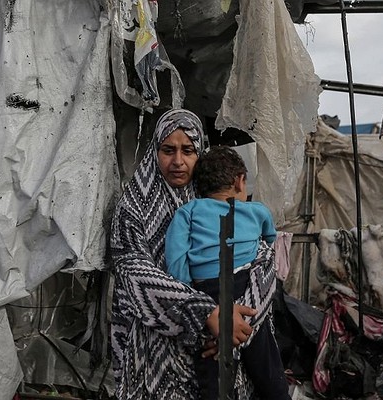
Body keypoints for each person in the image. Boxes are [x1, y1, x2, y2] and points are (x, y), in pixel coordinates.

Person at [108, 109, 278, 399]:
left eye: (188, 150)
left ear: (200, 152)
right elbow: (134, 272)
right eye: (168, 150)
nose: (178, 161)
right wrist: (206, 313)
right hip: (157, 357)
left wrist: (236, 324)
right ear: (154, 151)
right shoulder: (133, 208)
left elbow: (262, 261)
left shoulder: (215, 198)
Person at [165, 146, 291, 400]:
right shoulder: (258, 211)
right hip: (248, 288)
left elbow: (176, 262)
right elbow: (268, 243)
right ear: (239, 181)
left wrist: (190, 295)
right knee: (268, 367)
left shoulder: (186, 212)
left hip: (208, 293)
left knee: (212, 370)